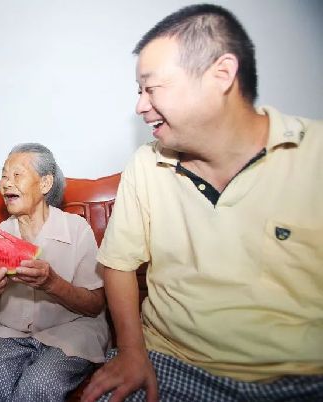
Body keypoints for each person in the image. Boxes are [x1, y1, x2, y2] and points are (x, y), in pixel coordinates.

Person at [81, 4, 323, 402]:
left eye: (151, 88)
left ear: (221, 75)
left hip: (301, 378)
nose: (140, 106)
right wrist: (131, 350)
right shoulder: (147, 164)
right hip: (171, 361)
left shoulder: (313, 154)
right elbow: (118, 263)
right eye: (139, 91)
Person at [0, 143, 110, 401]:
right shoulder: (0, 235)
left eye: (16, 175)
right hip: (12, 333)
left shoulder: (77, 228)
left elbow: (95, 304)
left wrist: (52, 283)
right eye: (3, 175)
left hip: (71, 331)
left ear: (45, 184)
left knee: (40, 383)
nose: (6, 183)